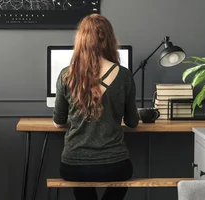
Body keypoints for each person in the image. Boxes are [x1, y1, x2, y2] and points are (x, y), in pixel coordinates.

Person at [52, 14, 139, 200]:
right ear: (109, 39)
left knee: (83, 185)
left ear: (81, 40)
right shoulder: (123, 75)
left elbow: (59, 122)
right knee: (122, 177)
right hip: (114, 165)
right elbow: (132, 122)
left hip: (74, 165)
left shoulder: (66, 75)